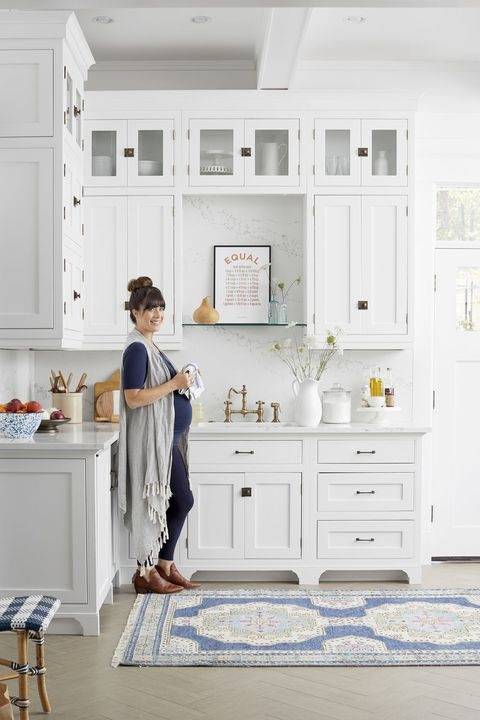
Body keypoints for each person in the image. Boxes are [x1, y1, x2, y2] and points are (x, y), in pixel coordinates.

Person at [117, 276, 201, 594]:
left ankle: (163, 565)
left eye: (161, 308)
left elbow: (164, 388)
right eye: (150, 308)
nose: (157, 314)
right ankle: (146, 570)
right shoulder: (137, 347)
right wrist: (174, 385)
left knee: (178, 502)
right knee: (180, 501)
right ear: (135, 312)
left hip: (168, 437)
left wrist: (184, 383)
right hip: (156, 442)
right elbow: (133, 397)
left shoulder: (149, 343)